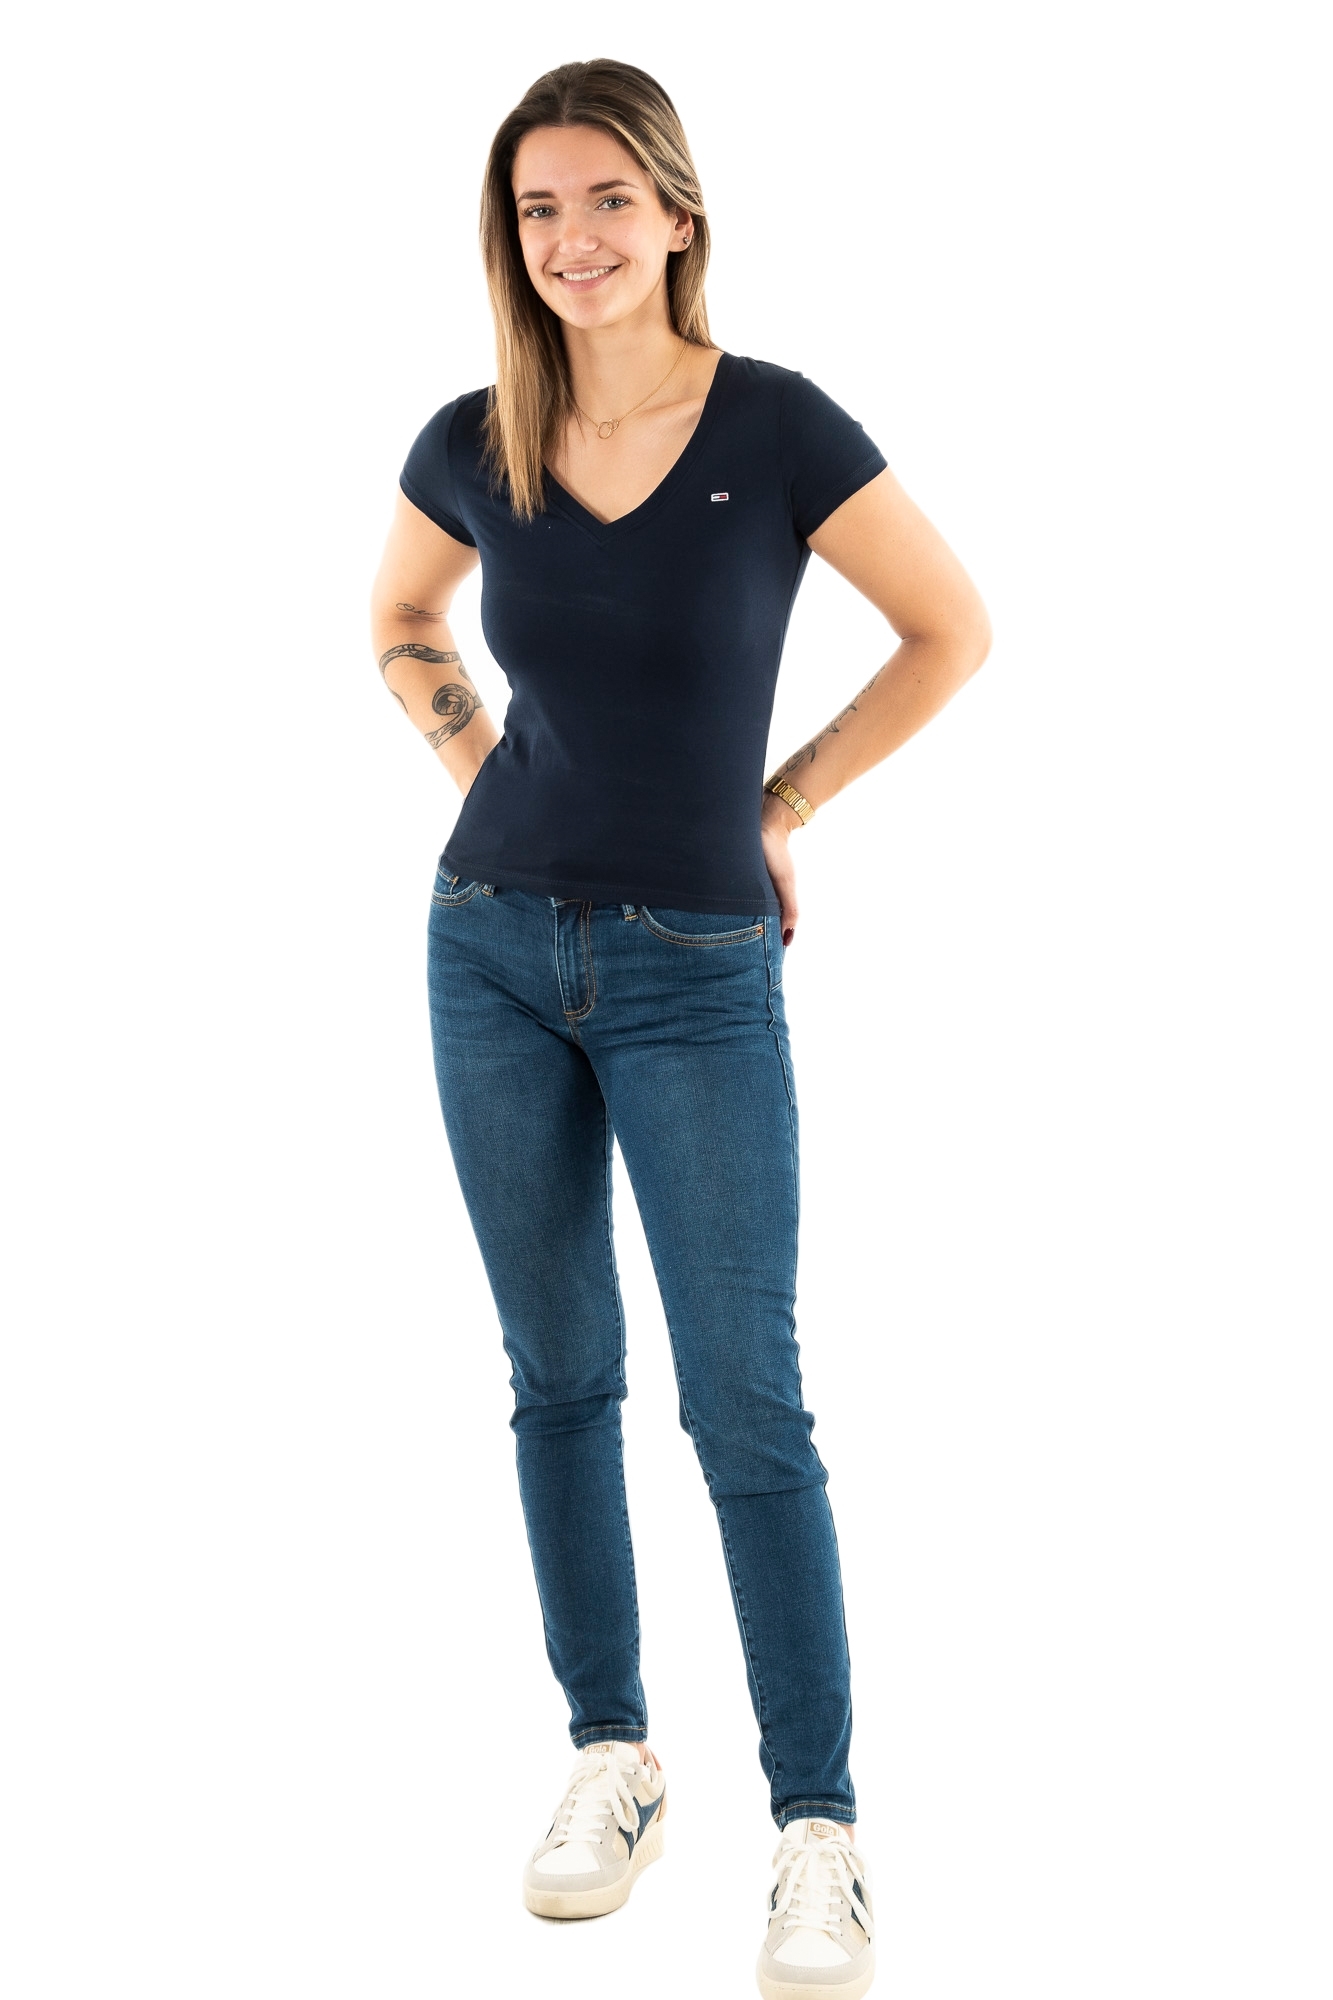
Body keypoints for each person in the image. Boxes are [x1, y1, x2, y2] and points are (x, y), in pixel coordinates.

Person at [370, 58, 990, 2000]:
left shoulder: (777, 425)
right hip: (486, 948)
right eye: (538, 209)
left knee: (745, 1403)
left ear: (678, 212)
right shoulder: (477, 435)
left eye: (606, 201)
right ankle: (613, 1758)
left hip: (695, 964)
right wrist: (477, 762)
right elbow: (401, 621)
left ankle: (818, 1828)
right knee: (557, 1378)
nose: (573, 240)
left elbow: (951, 629)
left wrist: (780, 802)